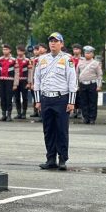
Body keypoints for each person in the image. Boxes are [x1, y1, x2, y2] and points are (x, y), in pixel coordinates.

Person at [34, 32, 77, 171]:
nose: (52, 43)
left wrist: (71, 102)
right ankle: (50, 159)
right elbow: (37, 80)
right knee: (48, 130)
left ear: (61, 44)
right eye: (51, 41)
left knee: (61, 130)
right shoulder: (42, 59)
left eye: (56, 41)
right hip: (46, 99)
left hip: (61, 99)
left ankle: (62, 159)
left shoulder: (67, 59)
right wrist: (38, 100)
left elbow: (72, 81)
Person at [76, 46, 102, 124]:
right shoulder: (80, 63)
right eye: (86, 53)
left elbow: (99, 75)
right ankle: (85, 118)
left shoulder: (96, 63)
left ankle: (92, 118)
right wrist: (76, 85)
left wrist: (99, 85)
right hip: (82, 84)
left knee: (92, 102)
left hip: (92, 84)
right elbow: (76, 74)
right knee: (83, 102)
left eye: (89, 53)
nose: (87, 54)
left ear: (92, 54)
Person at [0, 44, 16, 122]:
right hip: (1, 80)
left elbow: (17, 73)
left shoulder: (14, 60)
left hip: (10, 81)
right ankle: (3, 114)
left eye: (6, 49)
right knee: (2, 97)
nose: (5, 51)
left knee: (9, 98)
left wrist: (15, 84)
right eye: (3, 49)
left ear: (10, 50)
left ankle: (9, 115)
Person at [14, 45, 30, 119]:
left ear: (23, 52)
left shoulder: (27, 60)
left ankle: (24, 113)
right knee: (16, 97)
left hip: (24, 80)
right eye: (18, 51)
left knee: (25, 97)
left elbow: (30, 72)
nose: (19, 52)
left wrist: (29, 82)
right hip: (16, 81)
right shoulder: (14, 60)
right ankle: (18, 113)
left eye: (20, 51)